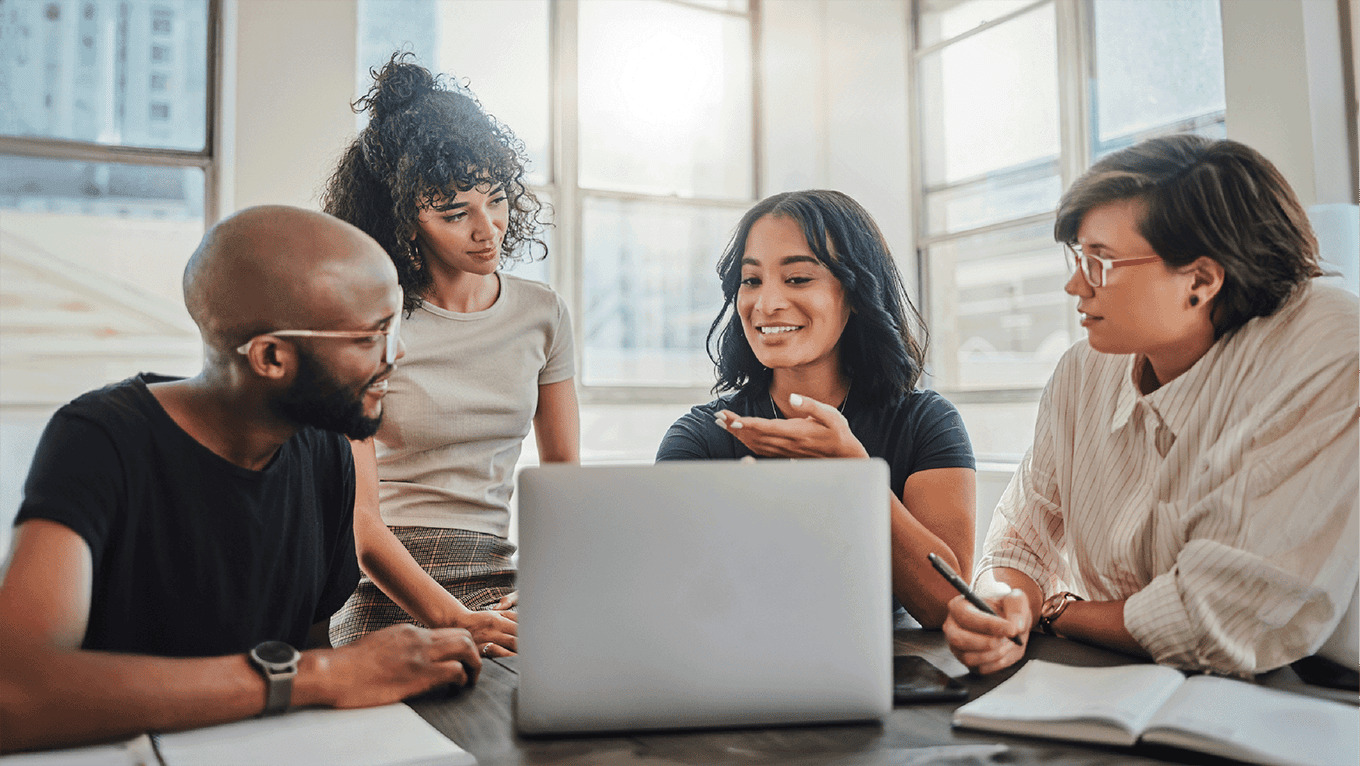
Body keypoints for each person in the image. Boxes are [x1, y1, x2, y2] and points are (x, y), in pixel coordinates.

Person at [0, 206, 481, 754]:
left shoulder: (325, 450)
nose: (396, 355)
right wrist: (321, 675)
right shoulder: (99, 439)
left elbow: (310, 656)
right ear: (272, 357)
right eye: (371, 336)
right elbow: (15, 693)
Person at [942, 135, 1359, 678]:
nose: (1075, 284)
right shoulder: (1085, 368)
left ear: (1201, 279)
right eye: (1078, 257)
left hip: (1314, 692)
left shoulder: (1325, 343)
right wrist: (1004, 605)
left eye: (1101, 262)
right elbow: (1020, 542)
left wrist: (1059, 612)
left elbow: (1216, 620)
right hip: (1130, 678)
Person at [321, 53, 578, 657]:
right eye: (455, 213)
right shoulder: (372, 323)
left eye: (496, 200)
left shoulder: (542, 313)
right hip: (385, 584)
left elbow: (563, 475)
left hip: (499, 575)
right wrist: (453, 618)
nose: (487, 229)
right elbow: (362, 528)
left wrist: (553, 582)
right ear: (406, 220)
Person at [657, 190, 976, 629]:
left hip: (884, 674)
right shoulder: (700, 436)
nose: (766, 304)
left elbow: (949, 606)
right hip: (737, 667)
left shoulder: (925, 423)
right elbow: (674, 597)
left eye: (798, 279)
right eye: (751, 281)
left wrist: (856, 474)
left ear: (855, 291)